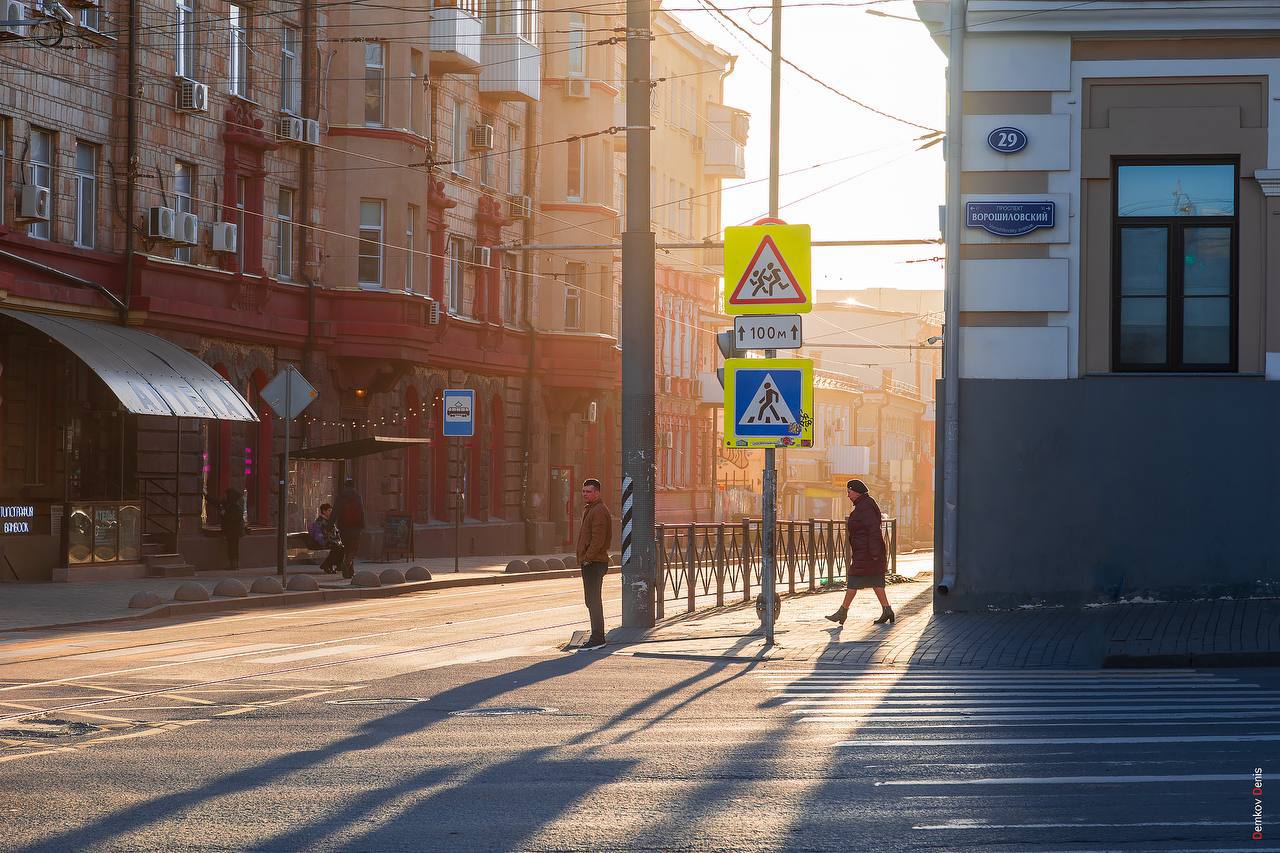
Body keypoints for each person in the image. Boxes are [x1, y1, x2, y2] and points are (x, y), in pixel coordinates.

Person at [825, 479, 894, 626]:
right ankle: (887, 610)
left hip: (867, 553)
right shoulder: (864, 505)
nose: (848, 495)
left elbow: (873, 530)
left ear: (856, 492)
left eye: (849, 492)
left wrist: (875, 553)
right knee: (876, 582)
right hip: (865, 551)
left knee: (854, 580)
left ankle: (842, 612)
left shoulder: (865, 507)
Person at [575, 478, 613, 649]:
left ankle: (598, 638)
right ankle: (597, 636)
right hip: (592, 561)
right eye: (583, 491)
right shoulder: (592, 509)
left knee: (593, 600)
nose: (585, 494)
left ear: (597, 492)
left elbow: (598, 539)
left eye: (589, 491)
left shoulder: (598, 510)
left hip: (594, 562)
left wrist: (587, 557)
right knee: (591, 600)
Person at [333, 477, 365, 577]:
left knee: (347, 549)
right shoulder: (357, 496)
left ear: (345, 486)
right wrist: (362, 526)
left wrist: (330, 524)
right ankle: (346, 564)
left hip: (343, 528)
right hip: (355, 528)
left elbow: (335, 511)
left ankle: (349, 572)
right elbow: (361, 512)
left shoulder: (340, 496)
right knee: (353, 550)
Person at [309, 503, 345, 575]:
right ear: (324, 511)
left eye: (331, 510)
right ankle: (329, 565)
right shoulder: (319, 521)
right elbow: (318, 535)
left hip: (333, 541)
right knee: (337, 548)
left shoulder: (330, 521)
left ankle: (332, 565)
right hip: (324, 541)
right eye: (329, 510)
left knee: (342, 547)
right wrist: (325, 541)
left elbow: (335, 532)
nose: (331, 512)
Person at [215, 488, 244, 570]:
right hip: (231, 531)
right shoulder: (228, 505)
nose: (225, 496)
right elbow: (216, 503)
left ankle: (234, 565)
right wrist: (205, 496)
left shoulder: (236, 507)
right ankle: (233, 565)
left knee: (233, 548)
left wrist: (224, 514)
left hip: (234, 532)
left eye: (226, 495)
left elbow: (234, 519)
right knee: (231, 548)